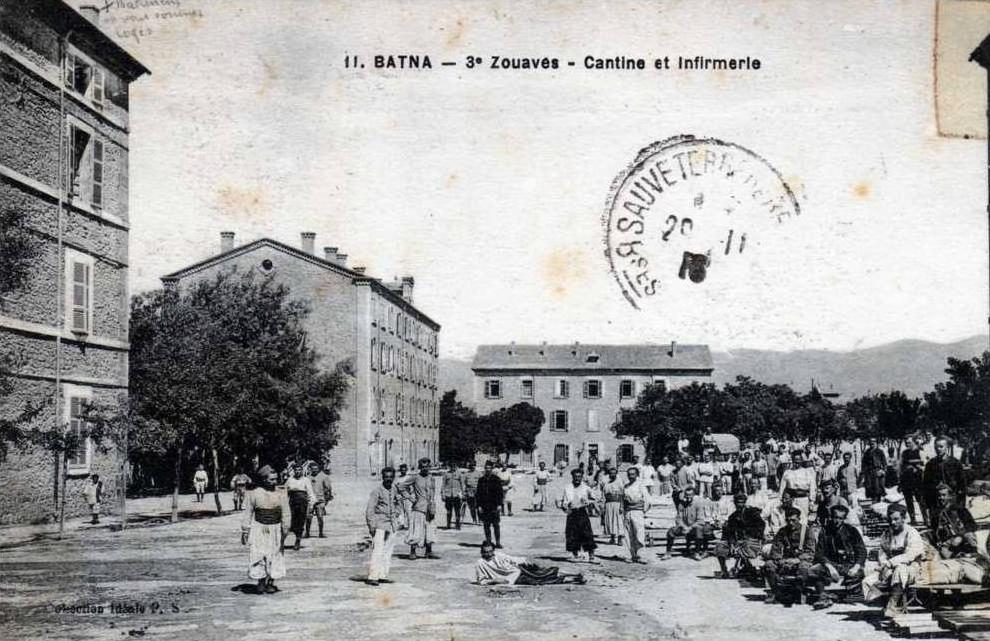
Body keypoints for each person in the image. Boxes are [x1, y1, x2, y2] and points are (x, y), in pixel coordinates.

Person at [861, 503, 927, 617]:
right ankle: (882, 600)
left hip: (911, 568)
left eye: (896, 519)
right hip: (890, 567)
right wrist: (883, 564)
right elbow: (882, 552)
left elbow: (910, 555)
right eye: (890, 520)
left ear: (903, 518)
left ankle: (893, 604)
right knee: (867, 578)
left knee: (900, 570)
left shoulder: (912, 533)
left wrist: (890, 563)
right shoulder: (887, 533)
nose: (893, 522)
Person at [240, 465, 291, 595]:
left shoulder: (281, 494)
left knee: (275, 555)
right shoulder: (254, 494)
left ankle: (271, 582)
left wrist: (285, 530)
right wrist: (245, 530)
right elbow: (248, 513)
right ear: (263, 480)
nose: (274, 482)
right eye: (271, 479)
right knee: (259, 554)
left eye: (275, 479)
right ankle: (261, 581)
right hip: (259, 528)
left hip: (276, 529)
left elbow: (286, 513)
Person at [926, 483, 988, 586]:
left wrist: (960, 536)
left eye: (944, 495)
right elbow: (935, 531)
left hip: (963, 540)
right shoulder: (935, 513)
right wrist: (942, 543)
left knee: (971, 544)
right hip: (947, 543)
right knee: (948, 562)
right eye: (939, 496)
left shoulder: (960, 509)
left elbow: (972, 525)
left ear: (950, 496)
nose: (941, 498)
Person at [806, 503, 866, 609]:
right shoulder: (825, 531)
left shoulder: (852, 531)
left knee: (859, 573)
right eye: (835, 517)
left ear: (844, 519)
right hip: (832, 564)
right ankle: (823, 596)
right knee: (813, 570)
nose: (837, 521)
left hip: (848, 564)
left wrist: (856, 566)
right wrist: (829, 566)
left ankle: (845, 595)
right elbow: (819, 553)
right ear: (831, 517)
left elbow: (862, 551)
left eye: (840, 518)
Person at [763, 507, 817, 604]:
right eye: (788, 520)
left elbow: (810, 552)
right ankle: (776, 592)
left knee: (804, 567)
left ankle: (799, 591)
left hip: (801, 561)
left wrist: (797, 560)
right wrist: (780, 560)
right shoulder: (782, 532)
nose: (790, 523)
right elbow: (775, 549)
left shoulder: (807, 531)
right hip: (785, 560)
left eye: (793, 520)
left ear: (799, 519)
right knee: (769, 565)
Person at [474, 541, 586, 585]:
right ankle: (573, 580)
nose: (488, 554)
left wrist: (525, 561)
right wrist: (495, 580)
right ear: (482, 552)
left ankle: (575, 575)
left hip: (518, 570)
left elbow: (513, 559)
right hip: (514, 579)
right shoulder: (480, 563)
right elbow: (481, 581)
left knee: (544, 571)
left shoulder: (498, 555)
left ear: (493, 551)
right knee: (542, 580)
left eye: (490, 551)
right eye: (486, 552)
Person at [365, 466, 404, 586]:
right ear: (382, 477)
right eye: (386, 477)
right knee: (378, 550)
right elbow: (370, 510)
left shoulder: (395, 490)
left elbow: (399, 503)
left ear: (393, 478)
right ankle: (373, 576)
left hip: (391, 524)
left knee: (388, 551)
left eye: (391, 477)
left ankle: (382, 575)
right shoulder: (376, 491)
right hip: (380, 524)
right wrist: (371, 526)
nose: (388, 479)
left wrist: (397, 514)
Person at [714, 492, 765, 579]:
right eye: (737, 502)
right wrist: (732, 543)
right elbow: (729, 533)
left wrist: (750, 536)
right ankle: (724, 570)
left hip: (752, 541)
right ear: (734, 503)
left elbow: (761, 527)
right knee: (720, 546)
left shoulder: (752, 513)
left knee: (746, 546)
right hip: (737, 543)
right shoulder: (732, 517)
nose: (739, 505)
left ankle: (747, 568)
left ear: (745, 502)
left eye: (742, 502)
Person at [398, 457, 440, 560]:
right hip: (418, 508)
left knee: (429, 530)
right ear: (420, 467)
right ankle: (412, 552)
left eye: (427, 467)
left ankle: (428, 551)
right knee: (416, 530)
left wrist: (432, 505)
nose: (425, 469)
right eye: (423, 467)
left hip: (429, 509)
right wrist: (410, 497)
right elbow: (401, 487)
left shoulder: (432, 478)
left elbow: (432, 492)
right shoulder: (415, 477)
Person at [558, 468, 599, 563]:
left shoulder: (586, 488)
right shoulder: (567, 487)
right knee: (572, 534)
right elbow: (562, 501)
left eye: (579, 476)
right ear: (572, 477)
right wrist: (565, 508)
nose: (577, 478)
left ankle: (591, 556)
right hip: (572, 513)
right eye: (575, 476)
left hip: (582, 512)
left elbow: (594, 498)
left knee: (587, 533)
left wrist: (587, 502)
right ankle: (575, 555)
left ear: (582, 477)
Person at [662, 485, 712, 560]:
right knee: (671, 531)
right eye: (687, 495)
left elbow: (700, 520)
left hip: (694, 527)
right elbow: (678, 518)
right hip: (684, 527)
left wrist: (690, 528)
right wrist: (684, 526)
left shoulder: (698, 504)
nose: (688, 497)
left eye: (690, 495)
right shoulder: (681, 504)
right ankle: (668, 553)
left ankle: (696, 553)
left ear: (693, 495)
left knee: (699, 530)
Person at [923, 436, 967, 514]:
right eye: (936, 447)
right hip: (936, 499)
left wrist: (960, 501)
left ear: (946, 447)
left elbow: (961, 483)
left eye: (941, 447)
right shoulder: (930, 464)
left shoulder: (955, 463)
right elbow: (926, 483)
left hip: (952, 499)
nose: (938, 449)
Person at [622, 466, 653, 563]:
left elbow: (648, 500)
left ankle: (640, 555)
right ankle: (631, 555)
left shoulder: (641, 485)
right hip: (628, 512)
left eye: (633, 474)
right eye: (629, 474)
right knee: (628, 534)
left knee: (639, 534)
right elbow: (624, 500)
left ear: (637, 475)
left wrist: (642, 510)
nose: (630, 476)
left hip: (637, 512)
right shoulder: (626, 486)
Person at [284, 463, 315, 550]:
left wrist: (311, 504)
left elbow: (310, 492)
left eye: (299, 470)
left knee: (300, 522)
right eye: (296, 470)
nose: (298, 472)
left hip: (302, 503)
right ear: (294, 471)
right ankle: (283, 541)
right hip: (292, 503)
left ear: (302, 470)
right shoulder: (290, 480)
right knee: (291, 522)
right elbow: (284, 492)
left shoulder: (306, 480)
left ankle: (298, 540)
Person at [780, 451, 817, 522]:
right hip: (791, 500)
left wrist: (811, 501)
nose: (797, 463)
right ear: (792, 461)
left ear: (801, 460)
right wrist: (781, 500)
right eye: (795, 460)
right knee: (791, 519)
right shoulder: (787, 472)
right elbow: (782, 488)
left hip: (803, 499)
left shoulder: (807, 472)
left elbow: (812, 487)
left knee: (803, 519)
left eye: (798, 460)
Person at [475, 460, 504, 548]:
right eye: (486, 468)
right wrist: (479, 506)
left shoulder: (496, 479)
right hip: (484, 506)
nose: (488, 470)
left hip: (494, 505)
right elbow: (478, 494)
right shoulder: (481, 480)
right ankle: (488, 541)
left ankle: (498, 542)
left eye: (489, 468)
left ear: (492, 469)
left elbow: (500, 493)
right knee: (486, 525)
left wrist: (499, 504)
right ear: (484, 469)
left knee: (496, 525)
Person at [899, 441, 926, 526]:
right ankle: (913, 519)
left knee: (921, 500)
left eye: (909, 442)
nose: (907, 444)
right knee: (909, 501)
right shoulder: (904, 453)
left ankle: (926, 519)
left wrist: (919, 467)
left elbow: (926, 466)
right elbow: (900, 467)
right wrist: (900, 480)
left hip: (917, 480)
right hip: (906, 481)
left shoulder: (920, 452)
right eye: (906, 443)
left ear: (914, 442)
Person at [307, 462, 333, 538]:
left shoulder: (324, 477)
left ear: (318, 469)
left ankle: (321, 533)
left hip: (320, 500)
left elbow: (328, 488)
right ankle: (307, 533)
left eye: (316, 469)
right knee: (308, 517)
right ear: (310, 469)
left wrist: (326, 499)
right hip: (310, 500)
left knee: (320, 517)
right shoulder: (307, 478)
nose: (314, 470)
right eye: (313, 469)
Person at [600, 467, 625, 546]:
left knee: (618, 521)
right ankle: (612, 537)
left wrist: (621, 506)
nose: (612, 475)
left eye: (614, 473)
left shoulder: (619, 482)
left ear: (616, 474)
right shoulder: (606, 483)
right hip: (608, 503)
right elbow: (604, 495)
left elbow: (622, 495)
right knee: (610, 520)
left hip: (617, 503)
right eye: (611, 473)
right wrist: (603, 506)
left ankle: (620, 538)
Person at [860, 438, 887, 503]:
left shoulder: (880, 451)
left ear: (876, 443)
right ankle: (871, 503)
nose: (872, 443)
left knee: (877, 488)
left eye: (873, 442)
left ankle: (878, 502)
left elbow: (884, 463)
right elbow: (863, 463)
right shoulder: (867, 452)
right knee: (869, 488)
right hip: (869, 472)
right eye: (871, 442)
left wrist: (883, 471)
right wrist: (863, 473)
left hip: (877, 471)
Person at [441, 461, 465, 530]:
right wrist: (443, 494)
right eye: (451, 466)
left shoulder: (459, 474)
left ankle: (458, 524)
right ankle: (448, 524)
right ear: (449, 467)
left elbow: (462, 484)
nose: (453, 467)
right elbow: (443, 485)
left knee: (457, 511)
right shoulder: (446, 474)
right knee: (449, 511)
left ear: (456, 466)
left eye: (454, 466)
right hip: (448, 495)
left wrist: (463, 494)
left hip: (457, 495)